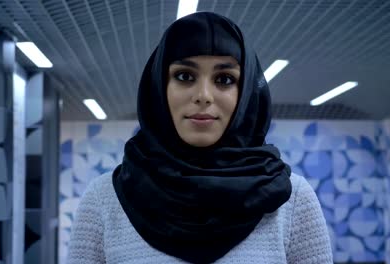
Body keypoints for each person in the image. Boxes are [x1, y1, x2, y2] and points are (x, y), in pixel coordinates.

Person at [67, 12, 332, 264]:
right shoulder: (104, 200)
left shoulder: (292, 200)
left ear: (246, 92)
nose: (203, 95)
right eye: (184, 76)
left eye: (225, 79)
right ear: (159, 87)